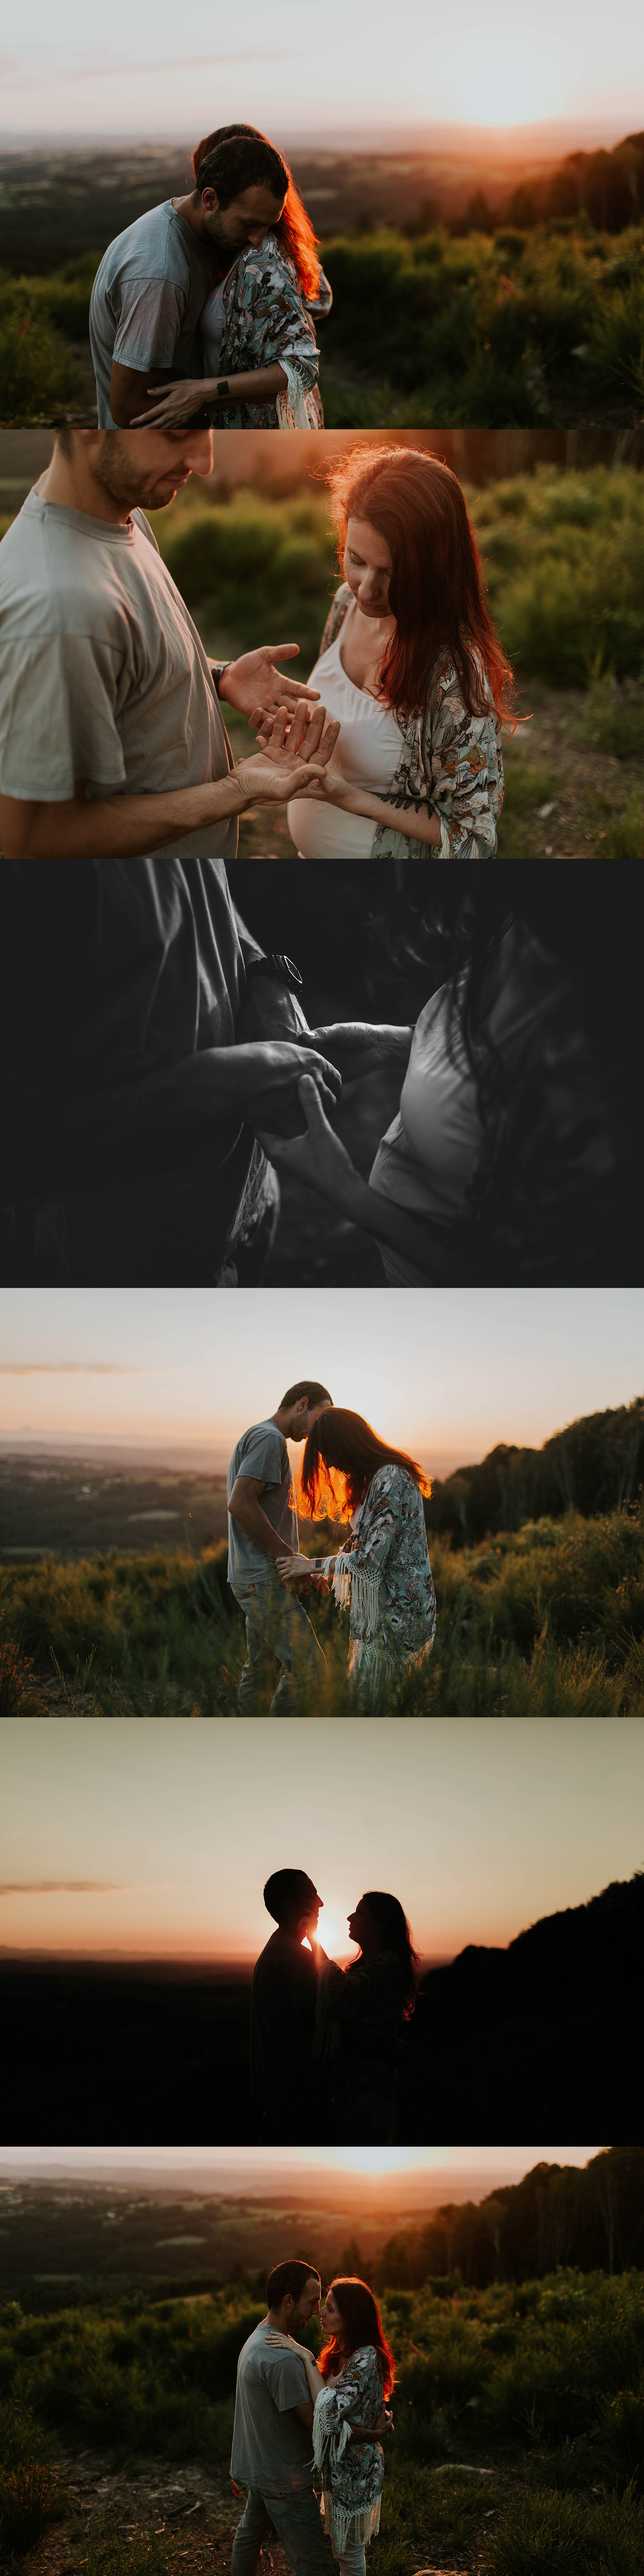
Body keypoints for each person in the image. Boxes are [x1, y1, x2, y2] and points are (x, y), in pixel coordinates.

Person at [0, 426, 341, 1288]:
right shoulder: (59, 609)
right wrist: (240, 790)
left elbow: (123, 680)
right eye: (184, 433)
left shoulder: (119, 515)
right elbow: (31, 839)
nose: (206, 461)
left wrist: (214, 675)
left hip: (217, 1161)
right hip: (118, 1205)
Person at [258, 880, 638, 1287]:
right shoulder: (523, 930)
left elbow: (507, 1287)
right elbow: (497, 1068)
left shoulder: (590, 1066)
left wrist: (343, 1189)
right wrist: (397, 1044)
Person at [268, 444, 508, 859]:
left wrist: (351, 799)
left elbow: (474, 836)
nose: (366, 588)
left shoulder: (450, 669)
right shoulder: (346, 604)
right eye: (356, 560)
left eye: (392, 573)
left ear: (433, 568)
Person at [90, 125, 328, 429]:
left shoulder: (208, 236)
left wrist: (208, 395)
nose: (258, 240)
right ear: (210, 199)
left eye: (268, 225)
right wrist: (211, 397)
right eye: (249, 223)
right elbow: (129, 411)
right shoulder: (159, 275)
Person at [232, 2261, 391, 2576]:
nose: (317, 2312)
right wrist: (373, 2435)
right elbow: (323, 2426)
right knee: (316, 2565)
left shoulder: (258, 2339)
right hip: (285, 2476)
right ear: (288, 2301)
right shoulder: (283, 2359)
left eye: (326, 2306)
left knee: (250, 2536)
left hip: (265, 2466)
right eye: (313, 2302)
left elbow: (344, 2404)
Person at [278, 1409, 436, 1701]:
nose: (329, 1463)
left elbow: (367, 1560)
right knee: (373, 1701)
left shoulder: (391, 1477)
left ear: (347, 1445)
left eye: (329, 1453)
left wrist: (309, 1566)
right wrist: (320, 1571)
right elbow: (359, 1542)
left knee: (375, 1703)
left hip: (400, 1613)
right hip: (383, 1611)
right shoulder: (371, 1478)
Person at [227, 1381, 333, 1712]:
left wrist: (294, 1564)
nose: (322, 1430)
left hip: (255, 1575)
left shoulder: (261, 1435)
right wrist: (285, 1557)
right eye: (321, 1417)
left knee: (263, 1671)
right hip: (262, 1579)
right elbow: (241, 1503)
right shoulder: (269, 1439)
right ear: (302, 1404)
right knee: (311, 1670)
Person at [310, 1895, 420, 2144]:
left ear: (380, 1925)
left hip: (370, 2087)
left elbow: (337, 1997)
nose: (350, 1918)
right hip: (353, 2084)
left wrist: (313, 1941)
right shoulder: (369, 1965)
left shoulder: (389, 1963)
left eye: (359, 1913)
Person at [250, 1871, 323, 2143]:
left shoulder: (277, 1949)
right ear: (292, 1905)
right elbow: (315, 2033)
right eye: (311, 1895)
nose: (321, 1903)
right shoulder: (295, 1958)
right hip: (298, 2105)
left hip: (276, 2101)